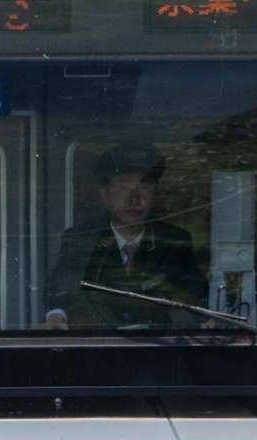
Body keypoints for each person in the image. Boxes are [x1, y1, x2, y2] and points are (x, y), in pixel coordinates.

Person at [43, 140, 205, 328]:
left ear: (155, 194)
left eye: (144, 186)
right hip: (98, 346)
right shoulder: (81, 238)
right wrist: (57, 316)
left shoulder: (175, 240)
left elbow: (194, 294)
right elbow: (61, 289)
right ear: (105, 194)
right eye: (123, 186)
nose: (135, 198)